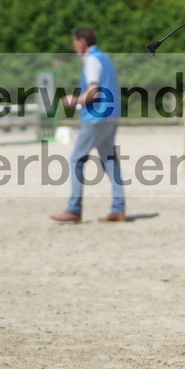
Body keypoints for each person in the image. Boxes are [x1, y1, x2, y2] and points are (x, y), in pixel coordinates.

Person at [50, 27, 126, 223]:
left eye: (75, 43)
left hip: (96, 118)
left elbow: (94, 92)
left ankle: (73, 208)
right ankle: (118, 208)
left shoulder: (91, 59)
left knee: (76, 159)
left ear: (82, 42)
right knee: (110, 161)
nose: (74, 47)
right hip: (112, 116)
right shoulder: (105, 58)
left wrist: (73, 100)